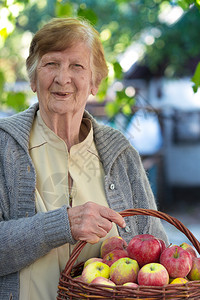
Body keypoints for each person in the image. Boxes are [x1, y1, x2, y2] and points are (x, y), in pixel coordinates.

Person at [0, 17, 168, 300]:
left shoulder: (120, 153)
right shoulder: (4, 147)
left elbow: (157, 251)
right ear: (32, 77)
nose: (63, 78)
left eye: (77, 66)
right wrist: (60, 225)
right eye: (51, 63)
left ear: (94, 82)